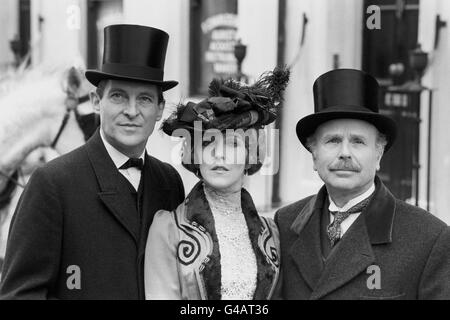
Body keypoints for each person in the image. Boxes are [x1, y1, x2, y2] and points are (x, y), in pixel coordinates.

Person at [0, 24, 185, 299]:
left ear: (159, 109)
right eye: (118, 96)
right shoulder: (52, 183)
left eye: (144, 99)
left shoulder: (169, 182)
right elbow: (20, 294)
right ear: (96, 101)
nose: (131, 111)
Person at [275, 69, 450, 300]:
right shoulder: (285, 224)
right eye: (333, 140)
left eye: (358, 141)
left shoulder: (429, 238)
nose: (345, 153)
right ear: (314, 155)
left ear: (378, 155)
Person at [144, 67, 290, 299]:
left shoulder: (271, 232)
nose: (219, 154)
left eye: (233, 144)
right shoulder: (167, 229)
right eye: (208, 143)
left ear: (250, 155)